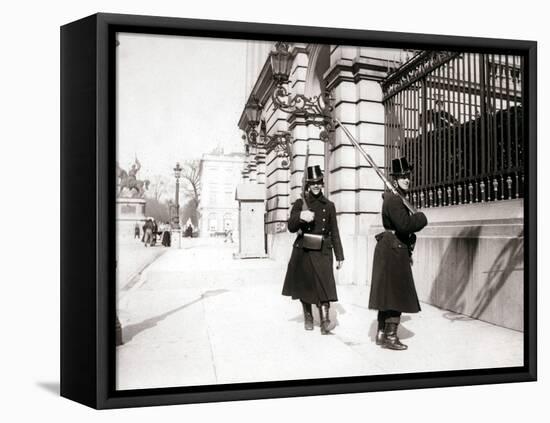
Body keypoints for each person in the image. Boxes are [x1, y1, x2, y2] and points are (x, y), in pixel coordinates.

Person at [368, 157, 428, 350]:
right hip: (394, 249)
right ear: (394, 179)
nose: (406, 179)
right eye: (402, 176)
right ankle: (391, 337)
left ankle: (381, 333)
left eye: (407, 176)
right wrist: (421, 219)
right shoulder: (395, 200)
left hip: (391, 247)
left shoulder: (394, 198)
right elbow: (403, 225)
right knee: (397, 293)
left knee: (388, 293)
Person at [282, 165, 344, 335]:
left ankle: (325, 321)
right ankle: (308, 316)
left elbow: (335, 231)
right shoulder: (301, 203)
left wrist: (340, 255)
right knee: (306, 285)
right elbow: (291, 226)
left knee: (325, 284)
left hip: (323, 248)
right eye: (313, 183)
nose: (316, 186)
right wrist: (301, 216)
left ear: (322, 184)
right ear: (308, 185)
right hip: (304, 250)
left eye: (319, 182)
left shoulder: (329, 205)